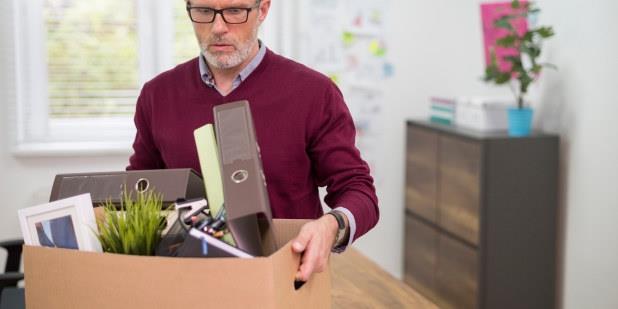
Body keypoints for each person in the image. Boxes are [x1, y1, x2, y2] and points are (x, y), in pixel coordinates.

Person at [127, 0, 379, 282]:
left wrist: (333, 225)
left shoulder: (315, 93)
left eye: (235, 11)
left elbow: (357, 189)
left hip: (285, 282)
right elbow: (138, 193)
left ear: (263, 9)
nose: (218, 27)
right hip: (185, 284)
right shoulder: (157, 95)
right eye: (204, 11)